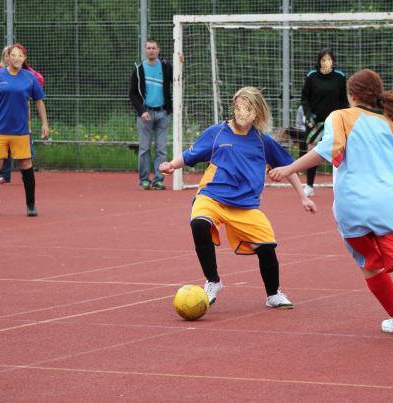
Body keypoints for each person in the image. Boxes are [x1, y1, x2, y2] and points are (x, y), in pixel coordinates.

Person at [269, 69, 393, 348]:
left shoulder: (341, 116)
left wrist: (289, 168)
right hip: (389, 203)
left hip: (351, 206)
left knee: (370, 265)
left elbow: (327, 149)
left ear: (352, 95)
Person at [159, 87, 317, 309]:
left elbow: (289, 168)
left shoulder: (263, 142)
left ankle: (273, 294)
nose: (242, 112)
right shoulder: (217, 133)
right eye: (239, 107)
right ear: (233, 108)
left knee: (267, 247)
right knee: (199, 224)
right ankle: (213, 281)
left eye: (248, 108)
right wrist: (171, 165)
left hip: (245, 205)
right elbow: (189, 155)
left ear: (256, 112)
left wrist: (303, 197)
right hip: (212, 196)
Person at [0, 43, 49, 217]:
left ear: (24, 59)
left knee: (25, 164)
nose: (17, 58)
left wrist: (44, 124)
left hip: (21, 131)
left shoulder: (29, 78)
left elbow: (39, 101)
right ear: (8, 57)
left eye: (21, 56)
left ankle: (31, 205)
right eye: (14, 55)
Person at [300, 48, 348, 196]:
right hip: (315, 122)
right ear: (319, 61)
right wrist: (308, 115)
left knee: (339, 152)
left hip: (334, 121)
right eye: (323, 60)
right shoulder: (311, 76)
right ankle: (309, 185)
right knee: (312, 151)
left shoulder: (340, 77)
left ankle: (340, 186)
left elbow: (344, 101)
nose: (326, 62)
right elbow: (305, 99)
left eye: (329, 59)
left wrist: (343, 117)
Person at [129, 38, 173, 190]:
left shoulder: (166, 67)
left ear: (158, 50)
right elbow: (132, 93)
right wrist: (142, 111)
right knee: (144, 148)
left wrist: (181, 63)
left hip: (163, 113)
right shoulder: (139, 68)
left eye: (153, 48)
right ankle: (144, 179)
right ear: (145, 50)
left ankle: (158, 180)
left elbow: (179, 78)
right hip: (146, 114)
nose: (151, 51)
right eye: (148, 48)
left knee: (161, 149)